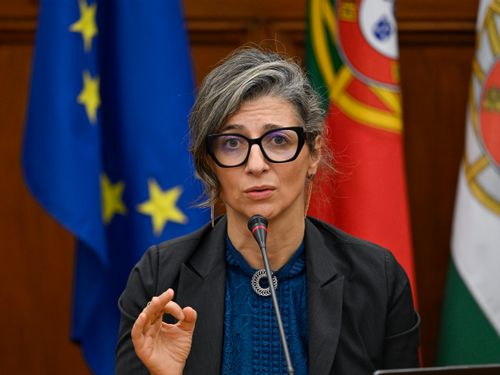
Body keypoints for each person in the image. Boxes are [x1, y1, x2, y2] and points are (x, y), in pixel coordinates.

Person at [115, 47, 420, 375]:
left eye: (278, 140)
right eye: (232, 143)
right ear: (209, 163)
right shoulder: (159, 277)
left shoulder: (376, 278)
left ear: (313, 153)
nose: (256, 164)